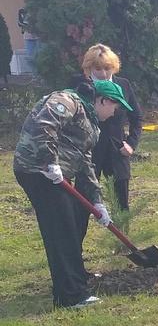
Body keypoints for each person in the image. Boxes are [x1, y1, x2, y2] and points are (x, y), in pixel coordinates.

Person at [12, 80, 133, 308]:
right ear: (103, 100)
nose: (116, 112)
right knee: (61, 230)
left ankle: (76, 283)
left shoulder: (91, 123)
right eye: (115, 107)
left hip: (52, 175)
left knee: (67, 227)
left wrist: (97, 203)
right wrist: (50, 162)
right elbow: (44, 124)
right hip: (38, 171)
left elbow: (85, 163)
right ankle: (70, 296)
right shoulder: (67, 101)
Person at [72, 44, 142, 211]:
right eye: (98, 68)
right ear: (89, 68)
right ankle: (75, 237)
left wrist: (131, 143)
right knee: (82, 204)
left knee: (121, 205)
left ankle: (121, 236)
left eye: (107, 68)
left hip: (117, 150)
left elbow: (137, 117)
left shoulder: (123, 84)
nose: (103, 73)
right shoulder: (80, 85)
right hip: (88, 152)